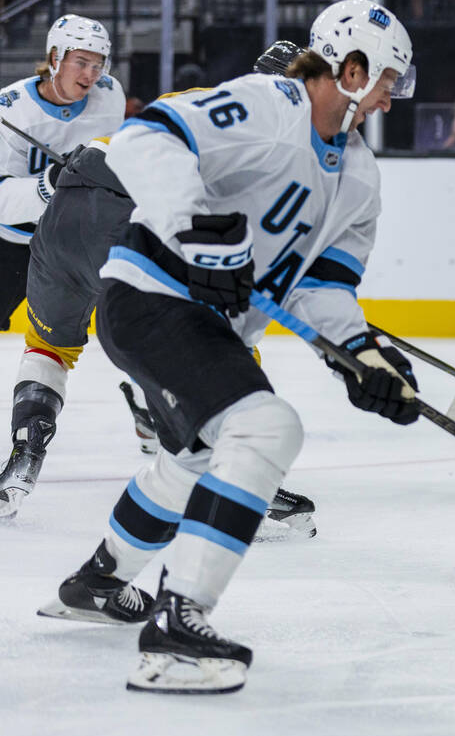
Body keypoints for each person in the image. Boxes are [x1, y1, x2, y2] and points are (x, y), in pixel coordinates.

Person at [38, 0, 421, 695]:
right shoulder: (272, 105)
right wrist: (198, 226)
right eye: (390, 74)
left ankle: (96, 583)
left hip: (207, 324)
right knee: (266, 426)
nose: (396, 90)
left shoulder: (360, 178)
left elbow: (322, 288)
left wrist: (361, 355)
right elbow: (145, 139)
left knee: (198, 456)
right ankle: (177, 627)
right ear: (353, 66)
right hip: (151, 293)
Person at [0, 40, 319, 539]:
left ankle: (25, 453)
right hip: (122, 220)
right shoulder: (276, 141)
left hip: (63, 211)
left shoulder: (201, 98)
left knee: (49, 346)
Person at [0, 15, 126, 514]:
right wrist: (51, 185)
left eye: (98, 63)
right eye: (80, 61)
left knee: (140, 330)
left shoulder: (110, 97)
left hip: (82, 239)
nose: (91, 74)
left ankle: (150, 418)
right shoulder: (10, 109)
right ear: (54, 58)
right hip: (13, 242)